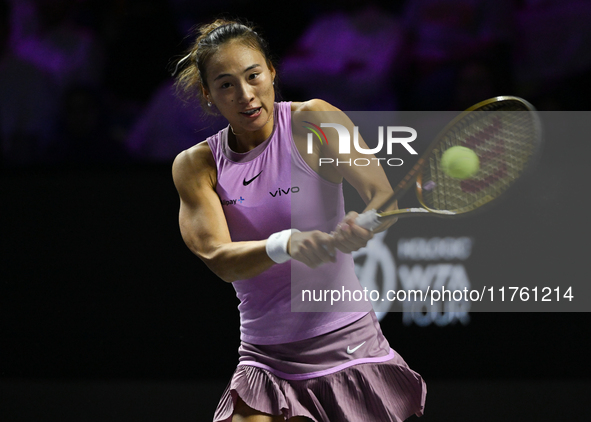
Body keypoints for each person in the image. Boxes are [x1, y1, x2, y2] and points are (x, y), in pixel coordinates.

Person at [172, 19, 426, 422]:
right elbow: (219, 257)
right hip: (265, 362)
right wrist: (285, 243)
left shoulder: (315, 121)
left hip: (348, 349)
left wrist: (366, 222)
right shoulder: (197, 165)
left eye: (253, 76)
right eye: (225, 84)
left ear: (272, 72)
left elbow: (383, 198)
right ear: (208, 95)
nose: (245, 94)